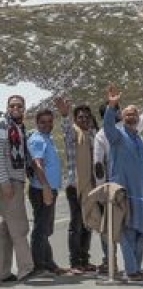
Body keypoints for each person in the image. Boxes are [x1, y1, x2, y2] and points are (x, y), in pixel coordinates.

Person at [93, 89, 143, 274]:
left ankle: (137, 268)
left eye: (134, 113)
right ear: (122, 116)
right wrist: (112, 106)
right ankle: (132, 270)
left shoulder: (141, 139)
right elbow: (108, 127)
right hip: (123, 193)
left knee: (140, 232)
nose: (131, 116)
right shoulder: (116, 136)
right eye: (127, 113)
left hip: (142, 194)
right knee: (127, 232)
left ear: (138, 117)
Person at [55, 97, 98, 274]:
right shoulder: (73, 134)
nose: (84, 120)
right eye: (80, 117)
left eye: (87, 117)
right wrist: (65, 115)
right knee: (77, 224)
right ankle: (75, 262)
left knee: (88, 223)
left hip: (91, 186)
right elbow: (65, 128)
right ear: (75, 119)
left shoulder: (93, 136)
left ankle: (84, 260)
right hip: (75, 186)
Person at [27, 108, 67, 275]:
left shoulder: (47, 137)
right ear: (37, 123)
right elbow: (37, 164)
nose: (47, 125)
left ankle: (48, 263)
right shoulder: (37, 139)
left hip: (48, 188)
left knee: (44, 228)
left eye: (50, 121)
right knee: (40, 229)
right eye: (43, 122)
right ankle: (39, 266)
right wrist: (46, 188)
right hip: (42, 189)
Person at [0, 95, 35, 283]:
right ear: (7, 107)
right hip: (9, 183)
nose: (16, 108)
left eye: (19, 106)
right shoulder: (3, 125)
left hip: (15, 181)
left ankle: (3, 272)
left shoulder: (19, 127)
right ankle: (26, 268)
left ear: (24, 108)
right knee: (20, 227)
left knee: (6, 229)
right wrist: (4, 181)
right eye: (12, 105)